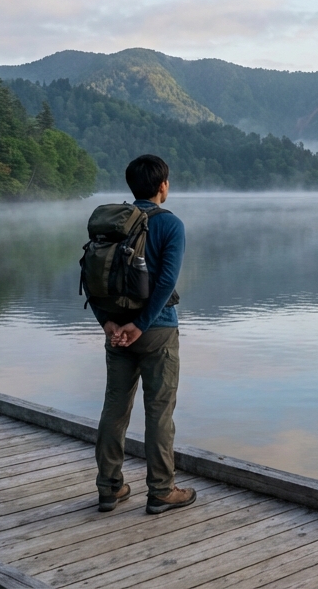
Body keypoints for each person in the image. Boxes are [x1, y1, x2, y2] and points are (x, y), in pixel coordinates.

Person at [94, 154, 197, 514]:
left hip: (116, 330)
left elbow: (94, 275)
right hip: (157, 333)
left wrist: (108, 323)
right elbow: (167, 281)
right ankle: (161, 490)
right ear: (163, 186)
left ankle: (109, 488)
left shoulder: (112, 222)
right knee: (159, 412)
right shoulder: (171, 225)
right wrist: (141, 325)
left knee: (115, 408)